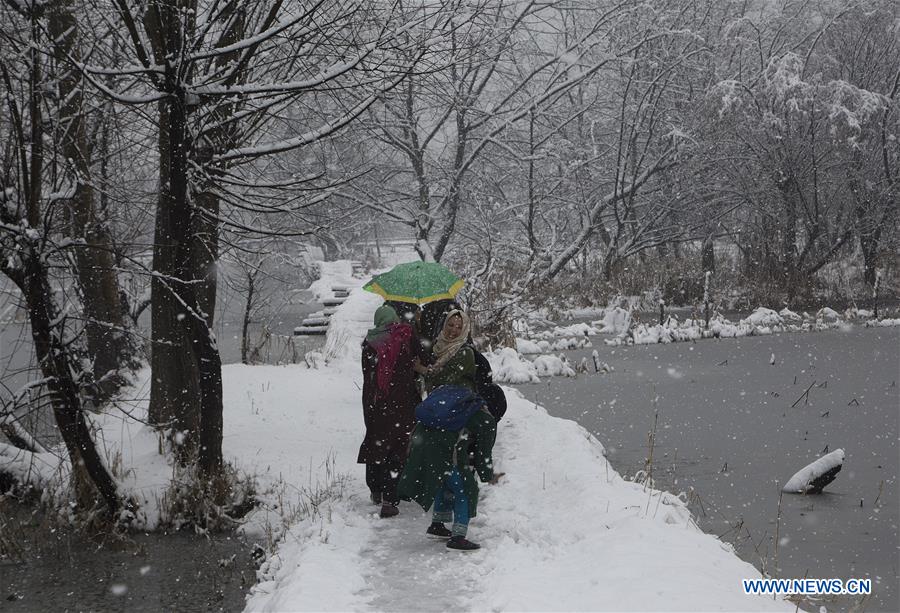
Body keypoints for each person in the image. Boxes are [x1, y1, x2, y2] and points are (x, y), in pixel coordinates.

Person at [398, 309, 504, 550]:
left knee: (442, 479)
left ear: (465, 329)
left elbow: (437, 379)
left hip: (429, 429)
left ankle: (437, 523)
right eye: (451, 325)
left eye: (459, 326)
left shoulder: (444, 354)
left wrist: (425, 371)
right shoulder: (450, 358)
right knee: (464, 485)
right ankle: (458, 536)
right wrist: (487, 472)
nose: (454, 329)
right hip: (448, 438)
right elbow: (486, 427)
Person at [358, 304, 428, 518]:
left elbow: (368, 375)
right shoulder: (406, 335)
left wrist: (370, 404)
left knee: (376, 444)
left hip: (378, 402)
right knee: (399, 448)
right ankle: (390, 498)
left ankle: (376, 490)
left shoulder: (370, 342)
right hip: (404, 402)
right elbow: (423, 359)